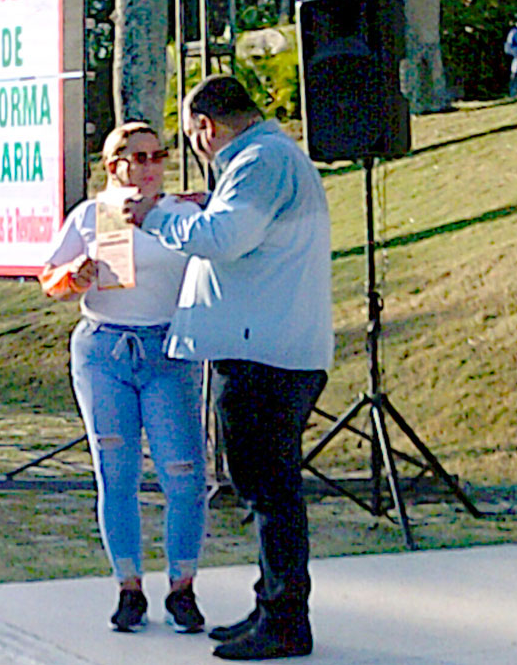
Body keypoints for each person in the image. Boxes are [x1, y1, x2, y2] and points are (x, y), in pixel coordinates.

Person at [123, 75, 333, 661]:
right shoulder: (268, 156)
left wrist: (157, 216)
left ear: (205, 129)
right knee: (265, 486)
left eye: (191, 138)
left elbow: (226, 237)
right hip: (266, 348)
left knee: (270, 490)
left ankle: (286, 619)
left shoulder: (260, 160)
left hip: (266, 355)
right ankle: (272, 605)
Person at [39, 121, 208, 634]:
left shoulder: (183, 212)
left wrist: (193, 203)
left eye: (159, 156)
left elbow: (230, 233)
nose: (152, 166)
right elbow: (49, 275)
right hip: (105, 348)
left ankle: (182, 587)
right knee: (117, 471)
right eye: (140, 157)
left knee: (183, 474)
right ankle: (128, 587)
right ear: (114, 165)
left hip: (168, 349)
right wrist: (75, 276)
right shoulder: (96, 214)